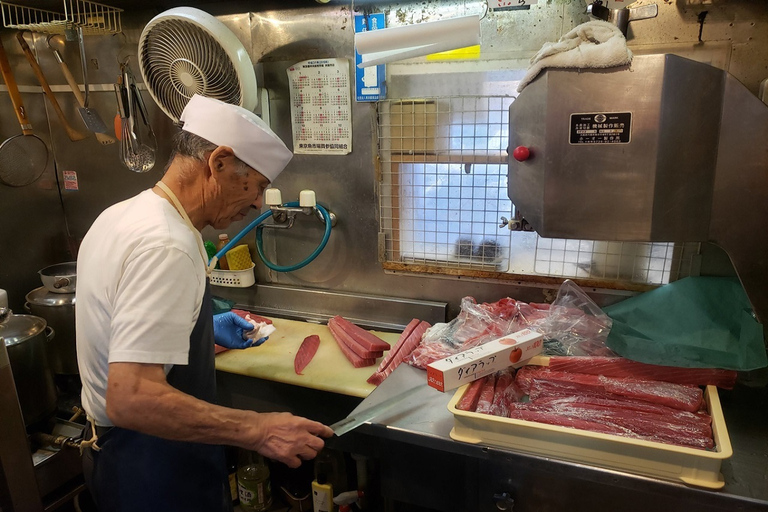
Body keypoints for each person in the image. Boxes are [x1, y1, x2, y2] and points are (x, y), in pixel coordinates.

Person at [76, 94, 334, 511]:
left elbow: (117, 328)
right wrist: (258, 430)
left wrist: (198, 329)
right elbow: (132, 397)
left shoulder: (122, 215)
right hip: (152, 465)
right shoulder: (168, 245)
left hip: (114, 453)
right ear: (218, 162)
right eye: (258, 187)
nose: (256, 204)